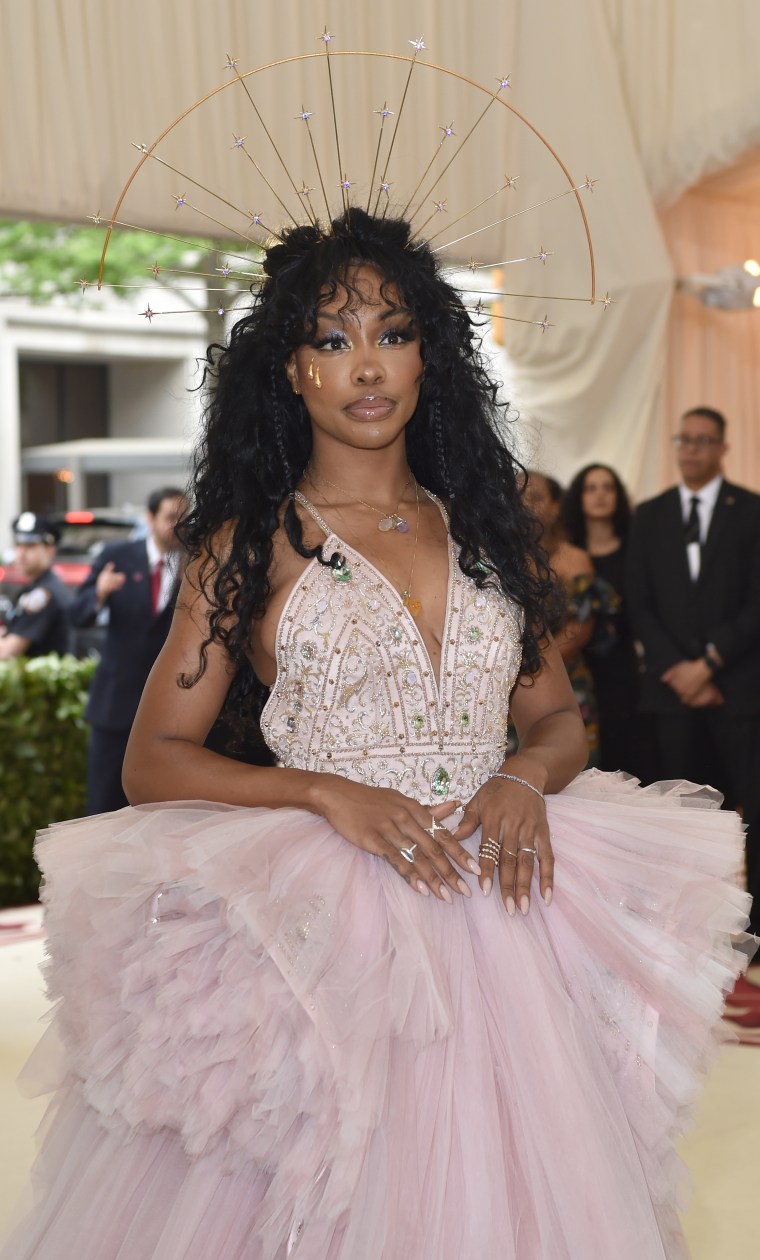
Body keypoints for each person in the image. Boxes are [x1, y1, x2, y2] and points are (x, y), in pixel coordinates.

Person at [1, 212, 750, 1260]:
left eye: (392, 333)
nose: (366, 365)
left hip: (505, 904)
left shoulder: (485, 532)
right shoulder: (244, 544)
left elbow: (553, 716)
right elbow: (153, 759)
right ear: (292, 368)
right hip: (325, 917)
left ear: (429, 357)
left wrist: (529, 776)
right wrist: (319, 792)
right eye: (331, 336)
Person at [627, 405, 760, 934]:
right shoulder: (651, 514)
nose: (692, 450)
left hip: (740, 692)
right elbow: (640, 605)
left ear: (723, 448)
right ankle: (694, 930)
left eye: (704, 441)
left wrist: (709, 665)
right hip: (672, 694)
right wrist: (681, 671)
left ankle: (752, 930)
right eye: (685, 440)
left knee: (750, 818)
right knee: (685, 819)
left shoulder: (751, 511)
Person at [68, 486, 186, 813]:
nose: (177, 525)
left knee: (160, 809)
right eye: (170, 518)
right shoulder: (117, 557)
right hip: (115, 704)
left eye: (183, 518)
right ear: (150, 518)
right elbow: (78, 614)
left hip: (170, 712)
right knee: (103, 804)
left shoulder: (195, 561)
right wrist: (100, 594)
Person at [561, 464, 650, 778]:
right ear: (578, 497)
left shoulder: (638, 549)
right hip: (579, 670)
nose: (600, 495)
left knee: (634, 757)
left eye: (608, 487)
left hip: (628, 669)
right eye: (591, 488)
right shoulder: (567, 555)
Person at [522, 470, 600, 764]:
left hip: (565, 683)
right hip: (507, 692)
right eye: (516, 496)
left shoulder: (574, 559)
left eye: (535, 497)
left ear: (556, 507)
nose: (524, 504)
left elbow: (579, 630)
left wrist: (532, 671)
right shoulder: (500, 557)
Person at [0, 513, 71, 659]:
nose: (22, 553)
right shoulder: (36, 587)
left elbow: (7, 652)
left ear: (50, 550)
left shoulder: (44, 594)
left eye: (30, 546)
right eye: (18, 545)